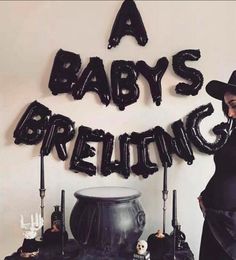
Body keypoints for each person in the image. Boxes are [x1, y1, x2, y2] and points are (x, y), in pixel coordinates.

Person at [199, 71, 236, 260]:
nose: (229, 113)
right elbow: (224, 171)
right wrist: (206, 195)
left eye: (234, 105)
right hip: (214, 217)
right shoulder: (233, 132)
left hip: (231, 225)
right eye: (227, 105)